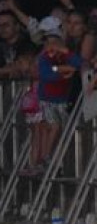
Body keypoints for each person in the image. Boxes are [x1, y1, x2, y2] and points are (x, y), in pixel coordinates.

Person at [23, 19, 82, 176]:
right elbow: (45, 74)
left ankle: (47, 160)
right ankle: (42, 160)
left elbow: (79, 64)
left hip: (62, 98)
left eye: (54, 40)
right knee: (47, 129)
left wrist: (65, 56)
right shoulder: (44, 56)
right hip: (46, 98)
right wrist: (61, 71)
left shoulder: (66, 53)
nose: (51, 44)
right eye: (48, 40)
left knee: (56, 128)